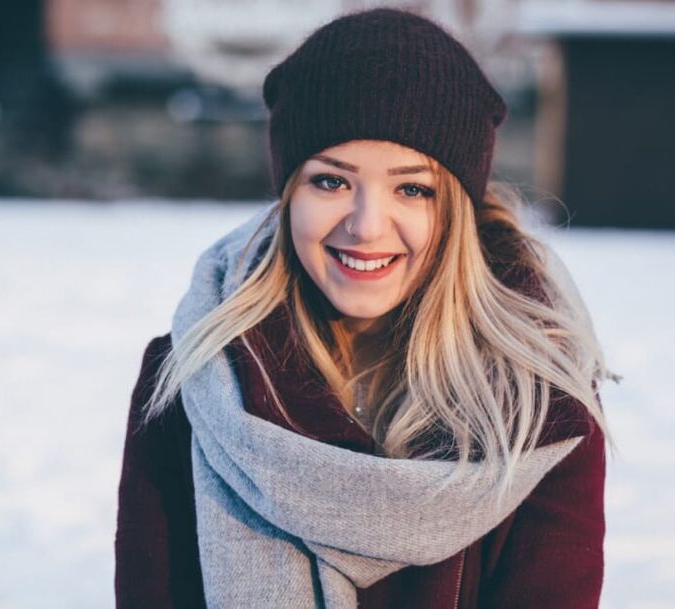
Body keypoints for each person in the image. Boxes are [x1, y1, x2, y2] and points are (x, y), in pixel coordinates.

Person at [115, 7, 615, 609]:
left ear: (455, 210)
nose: (366, 226)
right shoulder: (192, 379)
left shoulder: (540, 405)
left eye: (413, 188)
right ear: (287, 193)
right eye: (331, 182)